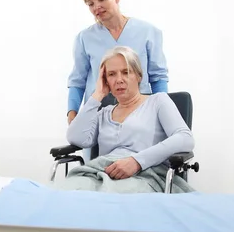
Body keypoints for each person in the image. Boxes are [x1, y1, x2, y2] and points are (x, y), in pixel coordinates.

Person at [67, 0, 169, 161]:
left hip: (138, 111)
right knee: (99, 166)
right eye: (90, 4)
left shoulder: (147, 32)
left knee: (138, 163)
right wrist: (72, 113)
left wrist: (161, 112)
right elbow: (77, 80)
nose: (96, 7)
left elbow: (158, 76)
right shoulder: (85, 38)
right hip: (99, 114)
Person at [66, 46, 194, 180]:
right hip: (103, 175)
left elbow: (185, 138)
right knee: (69, 193)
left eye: (126, 72)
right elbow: (76, 137)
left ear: (139, 76)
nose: (119, 79)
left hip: (144, 176)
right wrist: (97, 95)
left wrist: (137, 161)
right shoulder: (104, 113)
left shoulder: (158, 101)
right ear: (105, 80)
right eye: (111, 74)